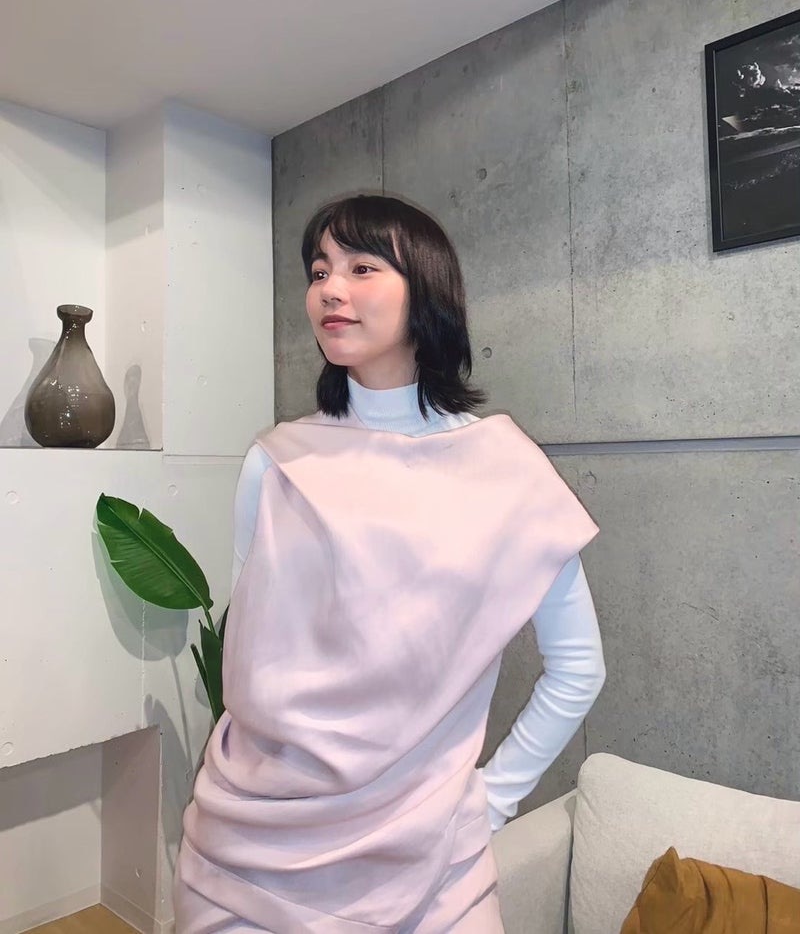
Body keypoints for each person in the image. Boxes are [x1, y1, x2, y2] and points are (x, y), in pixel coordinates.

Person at [173, 194, 605, 933]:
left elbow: (578, 668)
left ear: (426, 290)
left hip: (434, 867)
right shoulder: (276, 462)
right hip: (248, 853)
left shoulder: (505, 470)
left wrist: (491, 801)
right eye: (319, 271)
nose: (329, 289)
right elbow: (252, 651)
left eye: (361, 268)